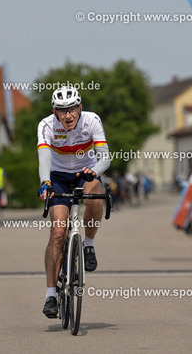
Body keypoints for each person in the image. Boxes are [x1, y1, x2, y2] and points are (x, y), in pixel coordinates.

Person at [37, 86, 111, 318]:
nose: (67, 115)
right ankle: (50, 294)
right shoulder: (46, 125)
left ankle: (88, 244)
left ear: (80, 108)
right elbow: (44, 158)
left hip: (86, 172)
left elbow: (105, 157)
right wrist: (45, 183)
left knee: (95, 199)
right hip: (57, 176)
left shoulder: (92, 120)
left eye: (72, 109)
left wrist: (94, 171)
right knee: (59, 232)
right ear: (55, 111)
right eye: (62, 110)